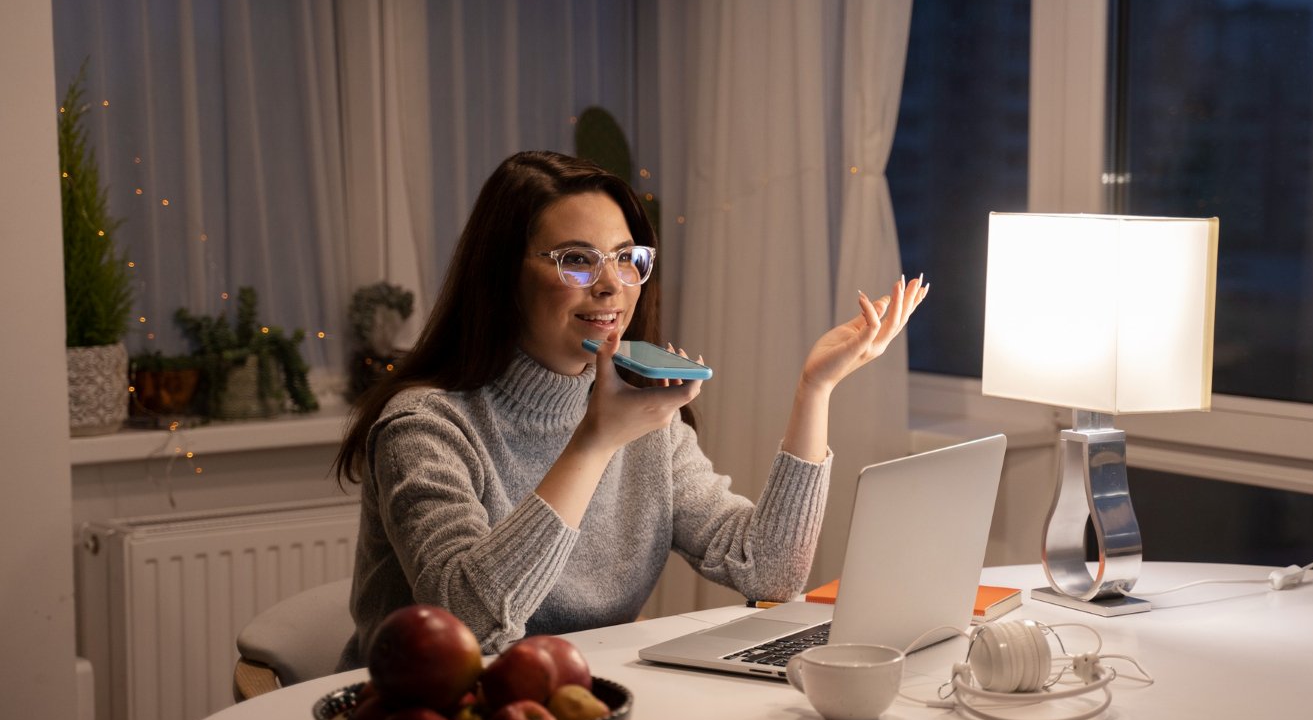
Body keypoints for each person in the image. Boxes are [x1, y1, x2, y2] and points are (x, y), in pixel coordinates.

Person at [333, 150, 926, 667]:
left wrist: (814, 390)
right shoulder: (424, 425)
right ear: (502, 277)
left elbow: (767, 570)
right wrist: (594, 442)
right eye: (576, 259)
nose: (612, 284)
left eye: (626, 257)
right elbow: (467, 624)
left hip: (581, 707)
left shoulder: (639, 416)